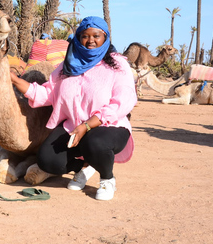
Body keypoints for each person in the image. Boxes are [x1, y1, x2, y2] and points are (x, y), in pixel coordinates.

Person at [10, 16, 137, 201]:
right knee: (47, 160)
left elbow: (123, 101)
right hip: (73, 127)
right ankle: (85, 167)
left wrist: (87, 125)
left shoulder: (117, 64)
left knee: (94, 142)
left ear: (105, 38)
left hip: (108, 127)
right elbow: (47, 94)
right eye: (85, 36)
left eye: (96, 35)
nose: (90, 40)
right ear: (78, 38)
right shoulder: (67, 66)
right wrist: (14, 79)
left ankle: (107, 179)